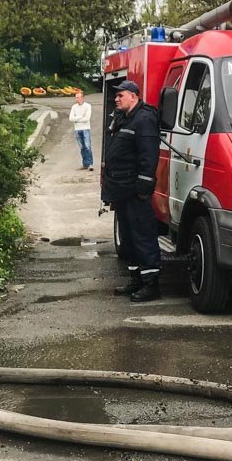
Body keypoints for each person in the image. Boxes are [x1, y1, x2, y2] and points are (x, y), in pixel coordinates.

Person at [101, 80, 162, 302]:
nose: (116, 99)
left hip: (135, 192)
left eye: (121, 95)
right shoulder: (126, 118)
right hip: (122, 191)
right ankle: (136, 279)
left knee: (142, 236)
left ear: (134, 96)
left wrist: (143, 189)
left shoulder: (144, 120)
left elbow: (148, 158)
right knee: (128, 239)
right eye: (116, 96)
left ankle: (151, 285)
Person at [69, 89, 94, 171]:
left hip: (85, 128)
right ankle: (85, 164)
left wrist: (76, 119)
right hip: (77, 129)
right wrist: (80, 117)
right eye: (76, 98)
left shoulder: (88, 106)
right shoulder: (74, 107)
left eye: (78, 97)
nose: (77, 99)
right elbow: (71, 118)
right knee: (82, 147)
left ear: (82, 98)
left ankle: (90, 164)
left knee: (87, 146)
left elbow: (87, 118)